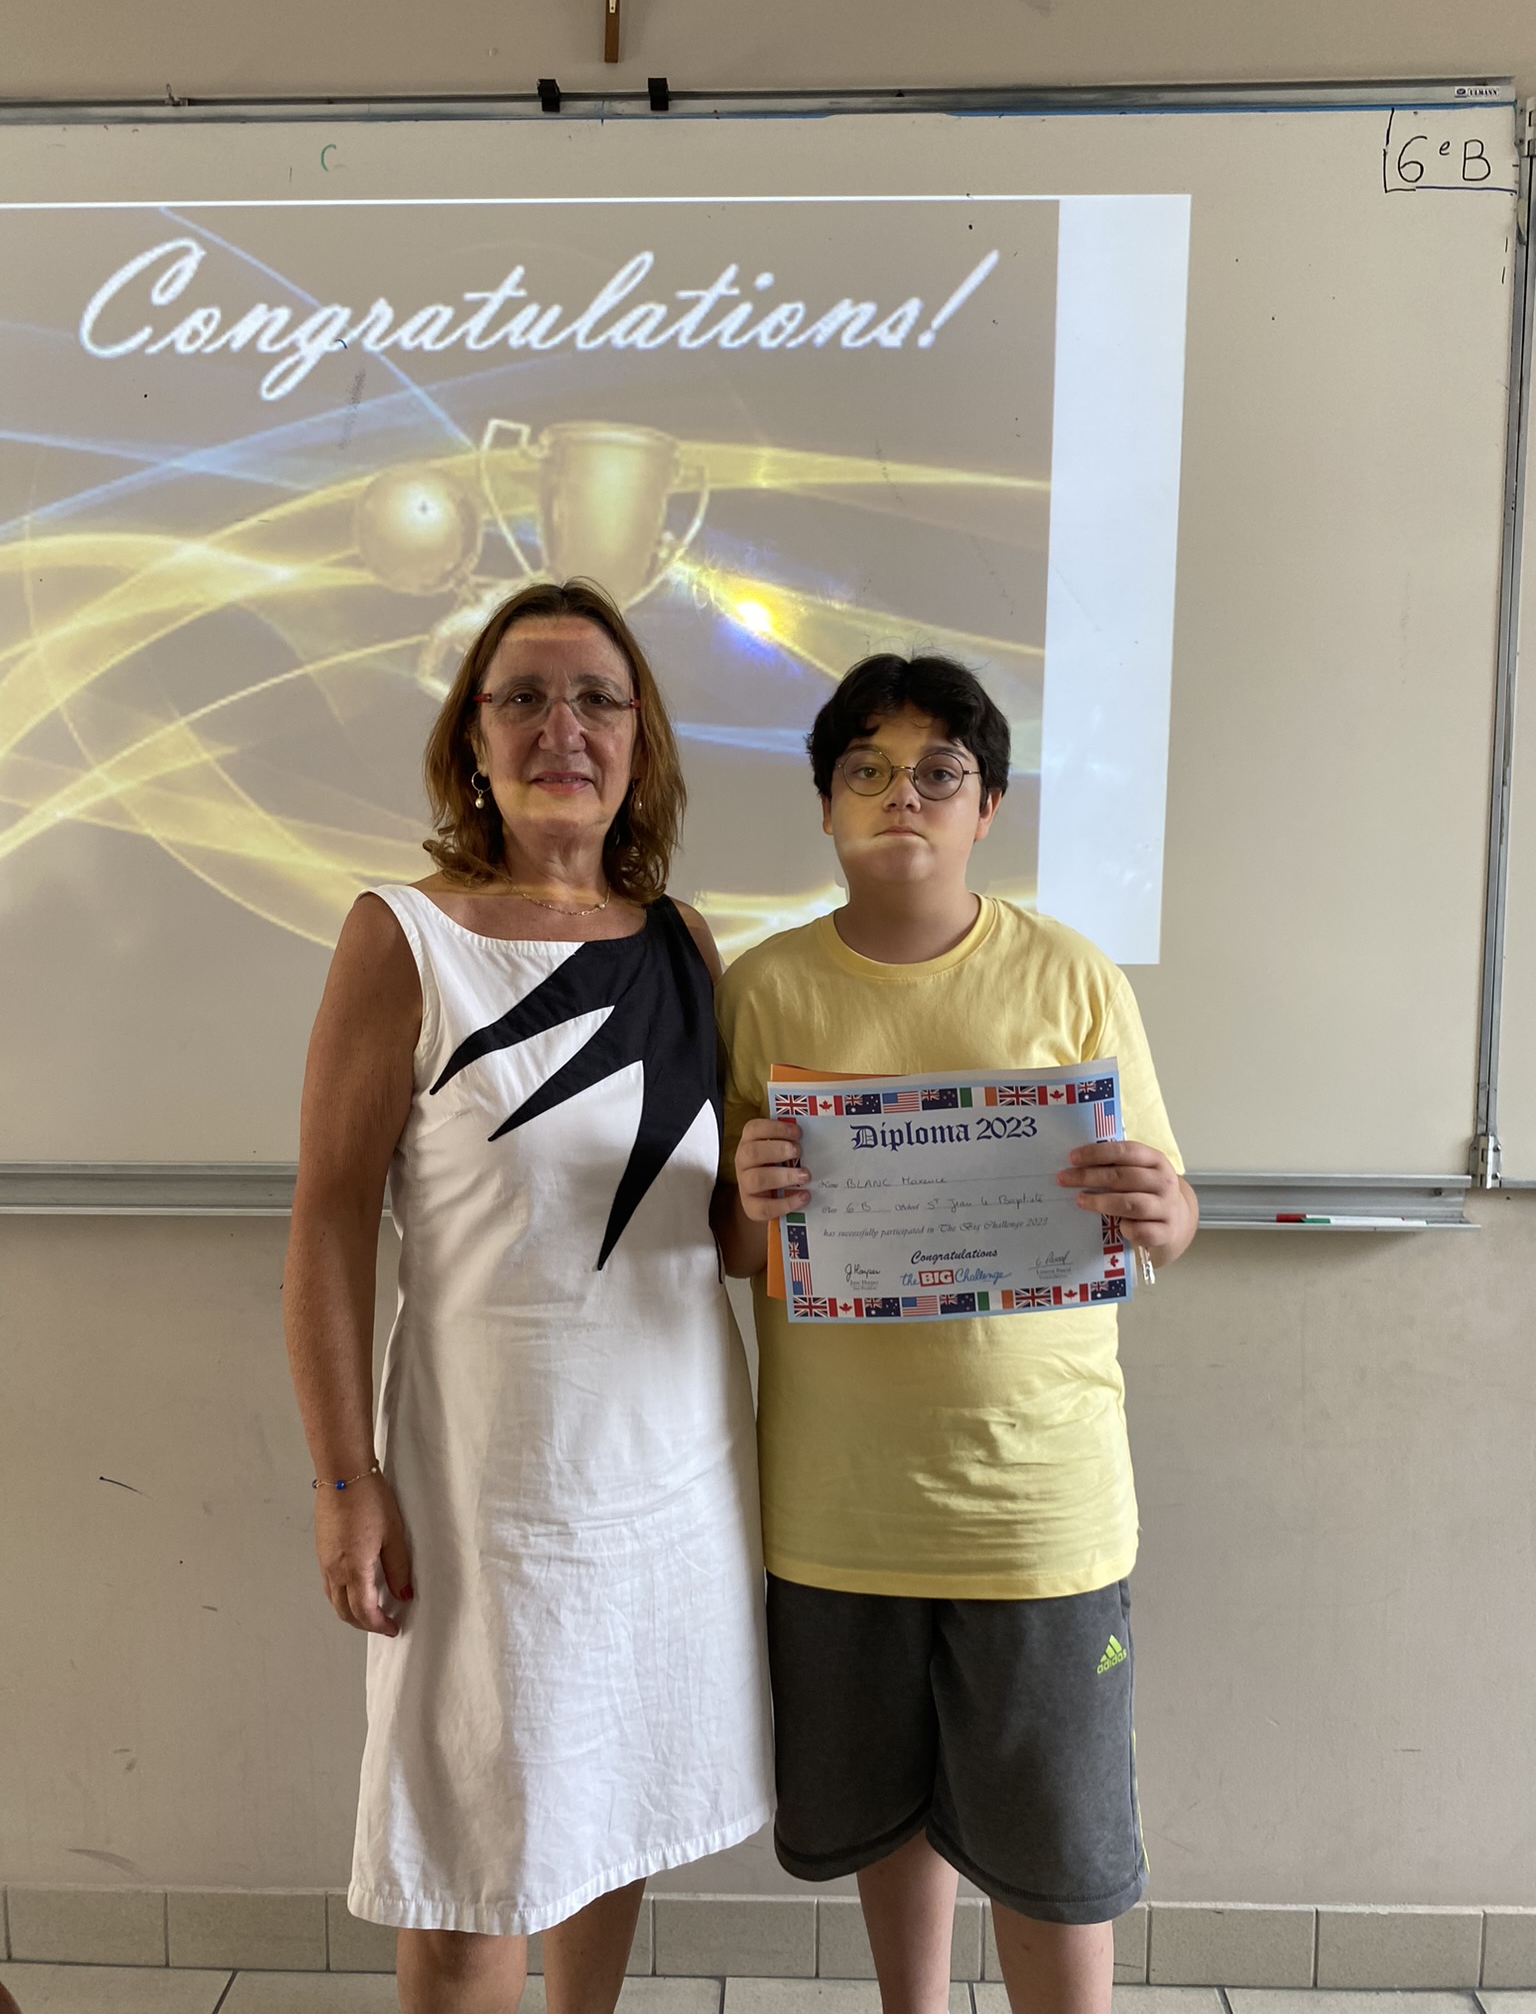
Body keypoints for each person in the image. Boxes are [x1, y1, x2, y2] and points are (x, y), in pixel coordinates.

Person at [283, 579, 772, 2014]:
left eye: (598, 699)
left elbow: (719, 1241)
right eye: (525, 698)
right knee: (469, 1853)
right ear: (473, 740)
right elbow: (328, 1219)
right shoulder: (404, 936)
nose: (565, 727)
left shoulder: (683, 943)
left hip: (670, 1475)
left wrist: (790, 1191)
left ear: (640, 741)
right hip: (483, 1487)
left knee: (611, 1810)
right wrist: (342, 1479)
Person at [712, 653, 1198, 2014]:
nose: (903, 796)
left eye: (940, 771)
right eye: (866, 769)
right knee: (887, 1815)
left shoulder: (1070, 974)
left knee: (1055, 1859)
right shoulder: (763, 990)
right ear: (825, 803)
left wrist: (1163, 1209)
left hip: (1037, 1505)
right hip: (838, 1509)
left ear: (988, 807)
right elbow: (726, 1247)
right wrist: (748, 1200)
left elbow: (1167, 1216)